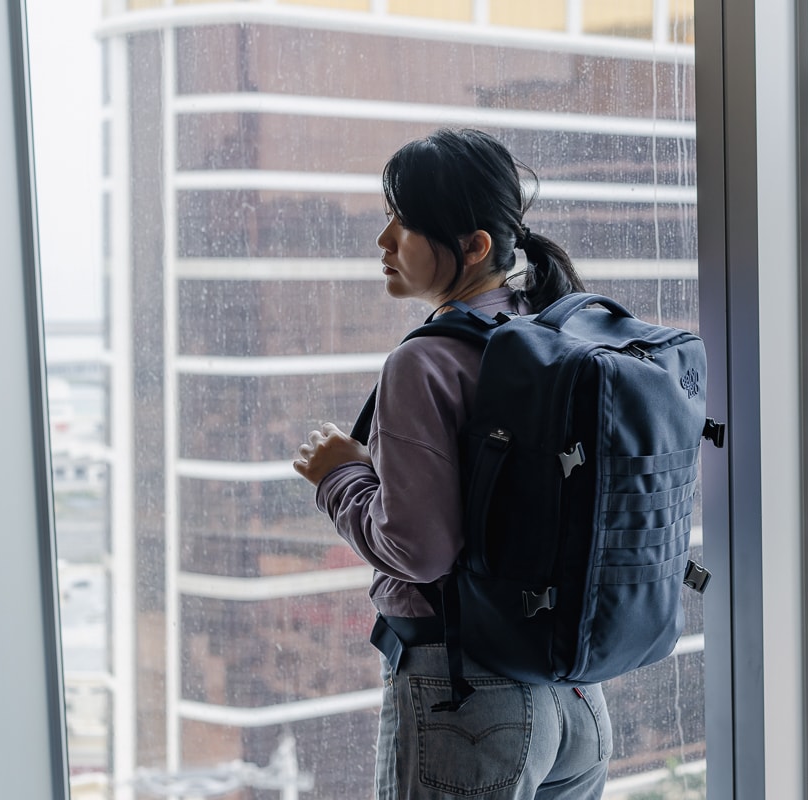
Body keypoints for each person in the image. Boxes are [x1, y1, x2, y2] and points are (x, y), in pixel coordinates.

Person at [293, 128, 612, 800]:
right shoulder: (554, 330)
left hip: (467, 695)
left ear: (475, 246)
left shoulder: (426, 361)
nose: (384, 241)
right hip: (576, 694)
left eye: (403, 222)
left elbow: (420, 550)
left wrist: (339, 477)